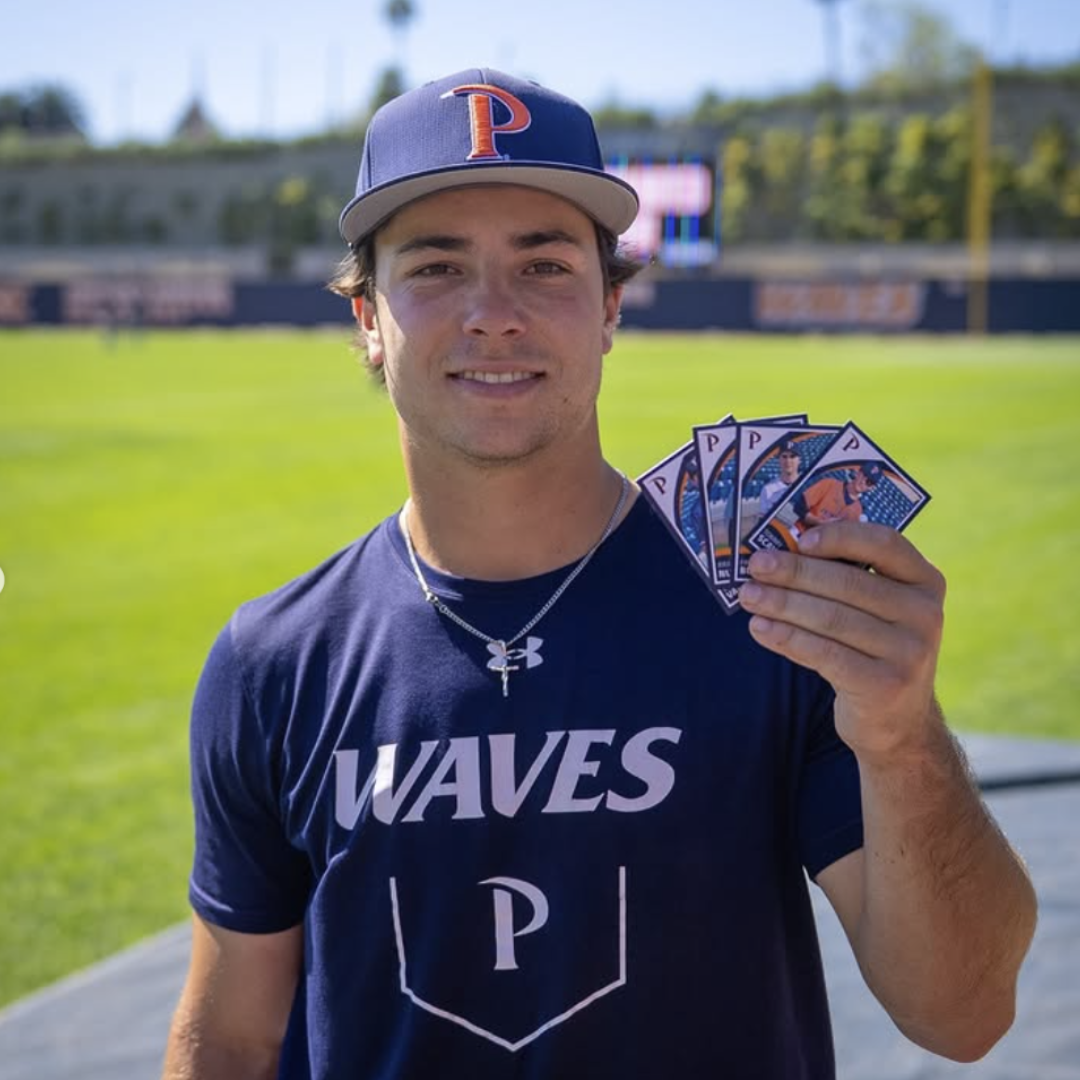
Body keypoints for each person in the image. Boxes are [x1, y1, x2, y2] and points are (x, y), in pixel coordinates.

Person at [162, 69, 1036, 1080]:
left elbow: (965, 1015)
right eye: (437, 268)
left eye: (544, 268)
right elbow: (227, 1039)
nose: (493, 314)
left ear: (611, 303)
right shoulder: (272, 663)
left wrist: (902, 739)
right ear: (367, 314)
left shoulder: (770, 606)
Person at [794, 462, 880, 532]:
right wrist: (820, 522)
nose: (862, 482)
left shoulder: (857, 512)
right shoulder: (830, 484)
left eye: (868, 482)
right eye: (863, 475)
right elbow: (799, 507)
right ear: (858, 473)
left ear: (871, 487)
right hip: (799, 533)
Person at [757, 437, 802, 517]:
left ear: (799, 460)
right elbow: (763, 517)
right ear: (779, 459)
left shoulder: (807, 485)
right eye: (784, 456)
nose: (788, 461)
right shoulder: (768, 489)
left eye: (792, 456)